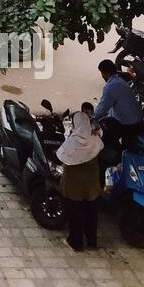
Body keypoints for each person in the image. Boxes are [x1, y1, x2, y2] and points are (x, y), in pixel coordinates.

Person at [57, 103, 103, 251]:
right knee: (92, 214)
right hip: (91, 185)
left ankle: (75, 242)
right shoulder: (95, 138)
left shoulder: (74, 140)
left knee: (75, 215)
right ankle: (92, 241)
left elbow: (62, 156)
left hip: (75, 185)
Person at [94, 60, 144, 153]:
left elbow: (102, 109)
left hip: (129, 124)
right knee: (109, 120)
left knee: (105, 131)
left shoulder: (110, 87)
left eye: (102, 73)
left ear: (104, 73)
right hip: (137, 118)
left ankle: (115, 155)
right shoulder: (120, 81)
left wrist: (92, 118)